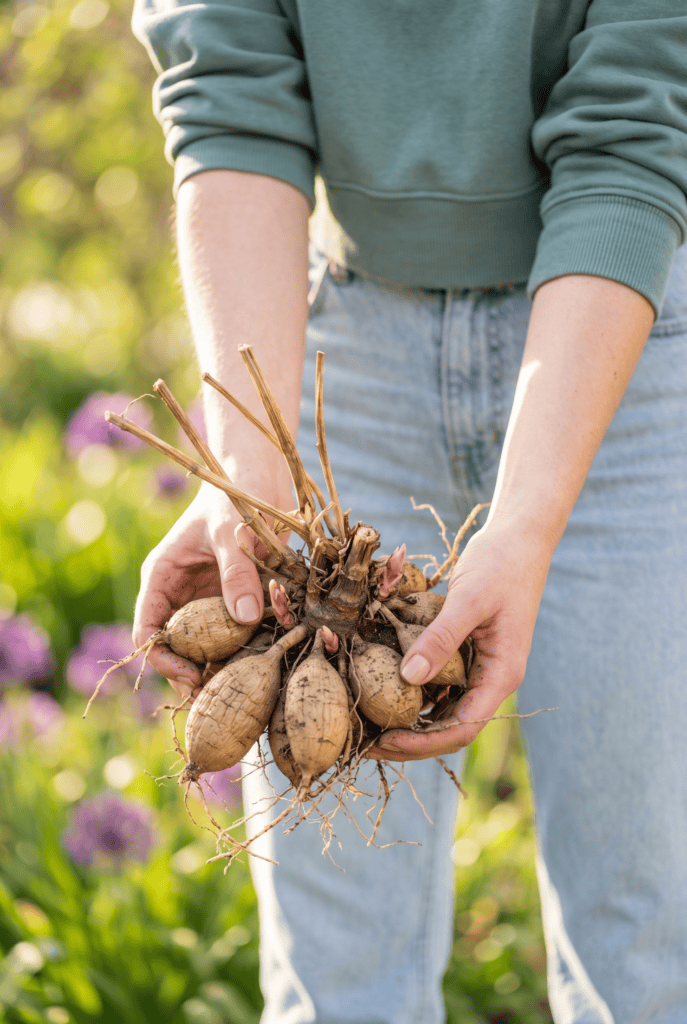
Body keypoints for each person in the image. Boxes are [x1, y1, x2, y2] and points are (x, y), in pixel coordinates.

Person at [130, 1, 687, 1020]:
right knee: (337, 971)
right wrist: (250, 471)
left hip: (622, 334)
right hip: (348, 338)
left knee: (651, 937)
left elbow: (632, 135)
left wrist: (525, 523)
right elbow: (231, 94)